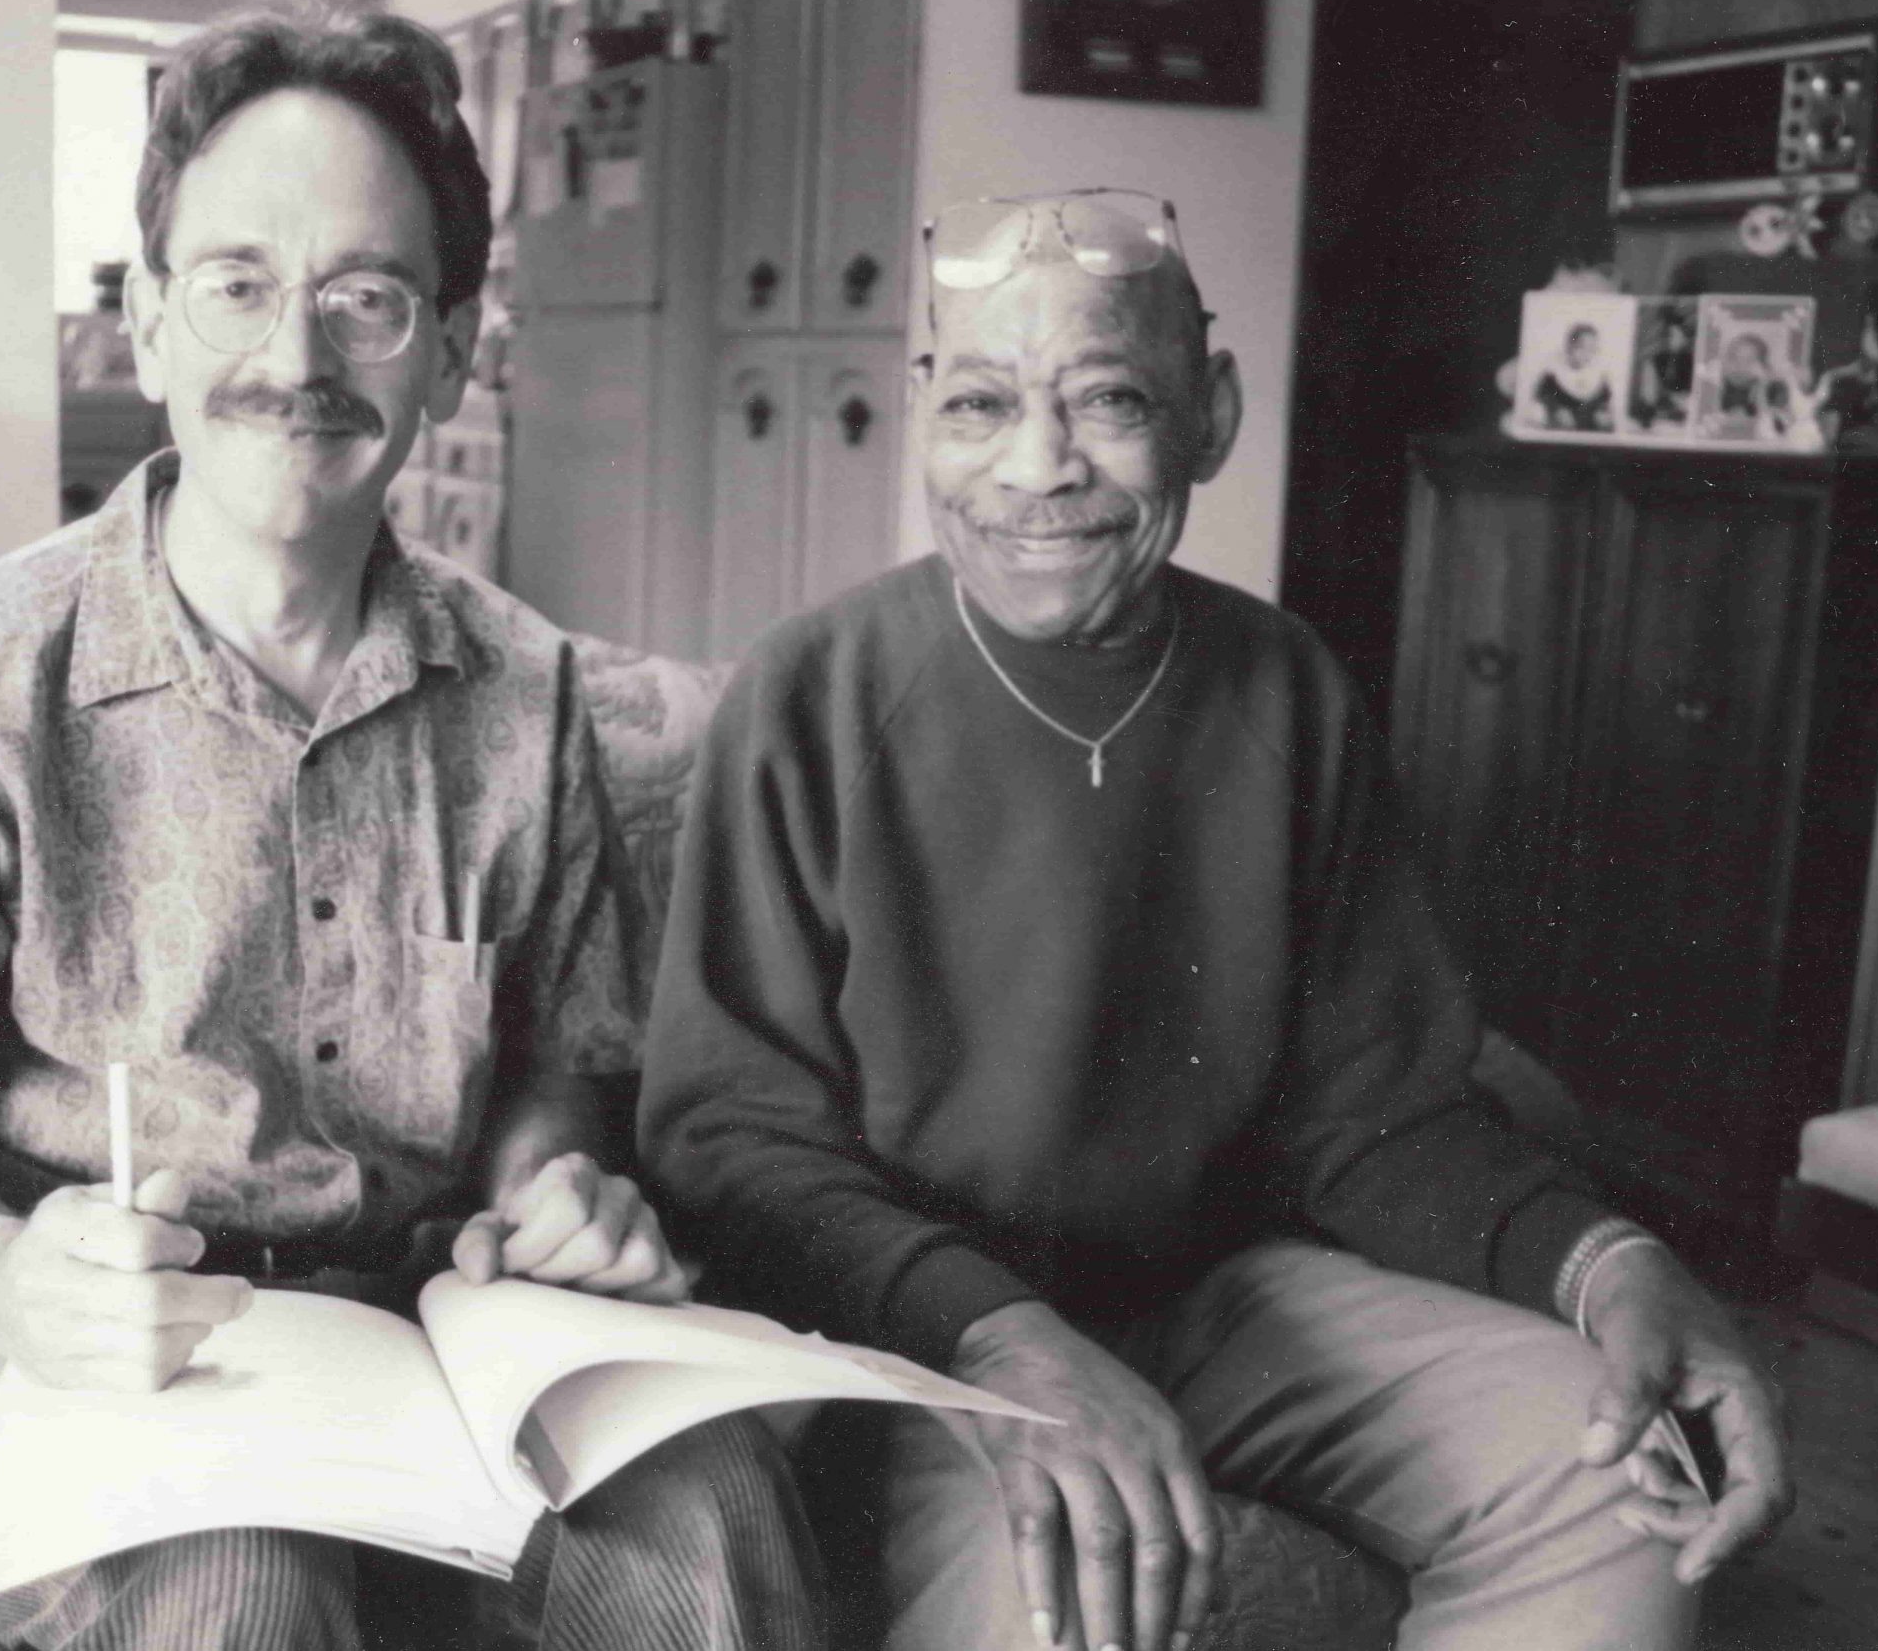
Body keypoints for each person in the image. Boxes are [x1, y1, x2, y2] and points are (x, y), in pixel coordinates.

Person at [0, 0, 820, 1651]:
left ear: (452, 348)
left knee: (711, 1520)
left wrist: (555, 1188)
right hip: (89, 1337)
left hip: (441, 1327)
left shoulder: (529, 690)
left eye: (365, 299)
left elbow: (559, 1063)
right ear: (148, 323)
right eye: (237, 285)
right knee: (241, 1590)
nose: (295, 361)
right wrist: (4, 1279)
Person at [641, 190, 1792, 1651]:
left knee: (1624, 1483)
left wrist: (1615, 1262)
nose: (1037, 467)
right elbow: (730, 1139)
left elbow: (1376, 1110)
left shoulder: (1288, 688)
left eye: (1109, 400)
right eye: (982, 403)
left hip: (1227, 1300)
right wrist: (1002, 1336)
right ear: (924, 412)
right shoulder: (809, 694)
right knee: (1059, 1603)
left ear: (1213, 414)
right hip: (921, 1348)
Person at [1532, 320, 1615, 430]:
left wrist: (1603, 412)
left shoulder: (1599, 377)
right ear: (1569, 347)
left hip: (1590, 428)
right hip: (1560, 428)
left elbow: (1605, 400)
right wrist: (1555, 410)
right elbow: (1542, 398)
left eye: (1592, 349)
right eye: (1581, 348)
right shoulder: (1552, 375)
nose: (1587, 354)